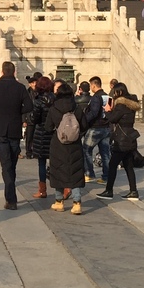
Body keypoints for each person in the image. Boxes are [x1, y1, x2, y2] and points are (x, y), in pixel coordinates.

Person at [0, 62, 32, 210]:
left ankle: (11, 199)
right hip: (14, 129)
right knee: (11, 165)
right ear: (14, 72)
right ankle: (11, 197)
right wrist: (17, 110)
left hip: (0, 129)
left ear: (2, 71)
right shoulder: (20, 87)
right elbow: (29, 106)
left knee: (6, 165)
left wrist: (0, 109)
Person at [46, 80, 86, 214]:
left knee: (58, 172)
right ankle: (77, 203)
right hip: (74, 144)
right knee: (74, 173)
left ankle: (59, 202)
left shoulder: (54, 108)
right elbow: (84, 125)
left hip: (58, 144)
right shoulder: (77, 108)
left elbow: (47, 127)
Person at [100, 82, 141, 200]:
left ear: (120, 92)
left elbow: (113, 119)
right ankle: (133, 191)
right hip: (130, 138)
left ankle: (109, 190)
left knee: (112, 165)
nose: (114, 95)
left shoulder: (121, 105)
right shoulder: (131, 105)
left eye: (115, 92)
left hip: (122, 140)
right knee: (128, 166)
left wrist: (108, 110)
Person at [79, 77, 111, 184]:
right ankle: (106, 176)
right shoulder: (108, 96)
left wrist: (84, 120)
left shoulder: (96, 97)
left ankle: (89, 174)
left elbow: (93, 113)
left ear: (93, 85)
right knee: (105, 153)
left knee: (86, 149)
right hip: (106, 127)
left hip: (96, 128)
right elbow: (109, 111)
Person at [28, 77, 54, 198]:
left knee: (41, 163)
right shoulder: (56, 99)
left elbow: (34, 119)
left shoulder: (38, 101)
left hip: (42, 134)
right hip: (54, 133)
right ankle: (64, 188)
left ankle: (42, 190)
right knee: (56, 163)